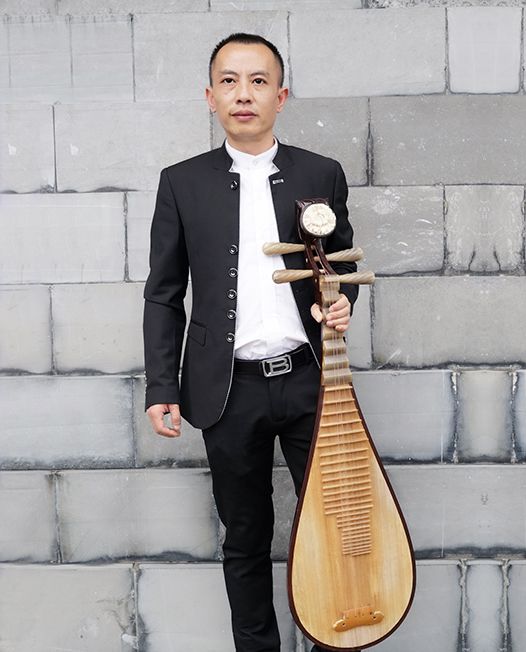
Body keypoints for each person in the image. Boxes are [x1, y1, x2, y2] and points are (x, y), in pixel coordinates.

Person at [143, 33, 359, 652]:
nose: (244, 94)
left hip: (312, 379)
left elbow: (341, 266)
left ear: (280, 96)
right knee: (244, 537)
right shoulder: (181, 182)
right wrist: (161, 386)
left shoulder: (320, 173)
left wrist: (341, 301)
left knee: (336, 527)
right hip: (227, 389)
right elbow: (164, 293)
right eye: (230, 81)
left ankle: (337, 642)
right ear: (210, 96)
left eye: (259, 81)